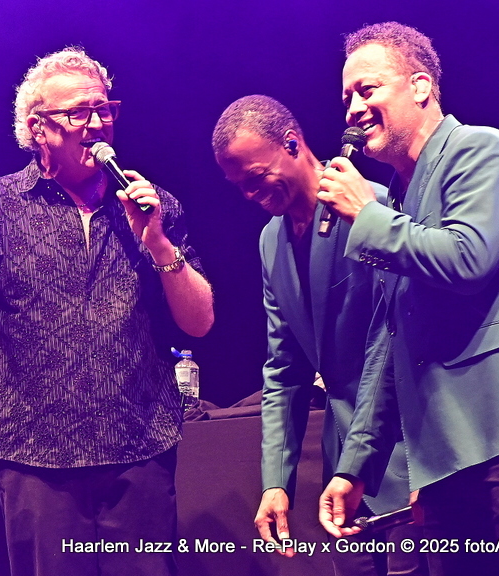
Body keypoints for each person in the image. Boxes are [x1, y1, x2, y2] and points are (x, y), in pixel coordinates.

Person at [0, 47, 214, 576]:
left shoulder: (152, 204)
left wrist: (156, 243)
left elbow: (199, 321)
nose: (97, 124)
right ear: (38, 129)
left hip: (140, 451)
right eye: (79, 113)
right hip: (37, 459)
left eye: (104, 109)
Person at [316, 22, 499, 576]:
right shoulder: (398, 201)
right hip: (445, 450)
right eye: (346, 97)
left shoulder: (483, 150)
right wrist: (355, 466)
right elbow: (390, 345)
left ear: (421, 86)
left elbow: (467, 258)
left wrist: (365, 214)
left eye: (367, 89)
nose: (352, 109)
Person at [213, 95, 423, 576]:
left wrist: (359, 461)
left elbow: (393, 341)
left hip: (405, 456)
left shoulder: (371, 206)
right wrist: (275, 482)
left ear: (292, 144)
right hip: (341, 474)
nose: (249, 194)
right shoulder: (270, 240)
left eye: (256, 177)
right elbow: (284, 368)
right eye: (238, 186)